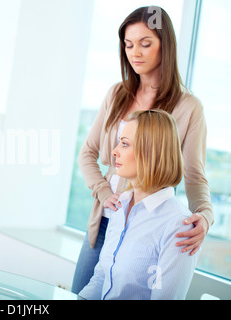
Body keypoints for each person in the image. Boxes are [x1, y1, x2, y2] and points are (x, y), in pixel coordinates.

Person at [71, 6, 213, 294]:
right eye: (128, 44)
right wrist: (103, 192)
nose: (135, 52)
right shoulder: (117, 93)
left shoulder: (188, 107)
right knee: (84, 290)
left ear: (165, 45)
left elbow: (194, 176)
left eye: (145, 43)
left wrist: (206, 216)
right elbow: (87, 154)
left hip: (146, 225)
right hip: (105, 221)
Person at [79, 109, 198, 300]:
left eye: (125, 144)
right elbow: (101, 278)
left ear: (150, 152)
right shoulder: (119, 206)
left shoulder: (178, 225)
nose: (114, 151)